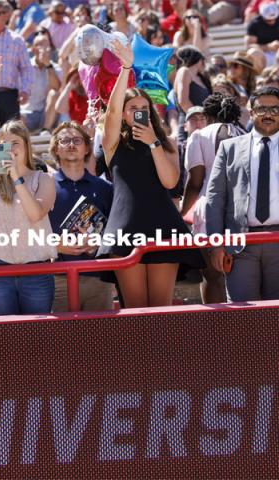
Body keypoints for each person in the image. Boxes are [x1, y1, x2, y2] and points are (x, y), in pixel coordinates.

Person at [97, 40, 204, 308]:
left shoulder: (166, 142)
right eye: (132, 108)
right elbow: (110, 111)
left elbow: (169, 181)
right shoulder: (112, 143)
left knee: (160, 306)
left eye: (143, 108)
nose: (138, 112)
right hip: (125, 227)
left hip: (163, 225)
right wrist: (125, 69)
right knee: (134, 307)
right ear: (122, 114)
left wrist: (153, 142)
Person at [0, 54, 57, 316]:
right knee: (3, 341)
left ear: (26, 147)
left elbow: (34, 214)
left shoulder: (43, 179)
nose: (8, 149)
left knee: (38, 340)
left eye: (15, 144)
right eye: (3, 144)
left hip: (37, 272)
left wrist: (17, 179)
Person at [206, 87, 279, 302]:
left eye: (275, 109)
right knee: (243, 317)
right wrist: (216, 244)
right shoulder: (230, 148)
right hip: (240, 244)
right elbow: (215, 198)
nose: (268, 114)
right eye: (262, 109)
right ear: (251, 111)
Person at [182, 94, 246, 303]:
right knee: (243, 276)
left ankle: (216, 332)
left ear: (208, 115)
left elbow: (195, 183)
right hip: (244, 211)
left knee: (212, 276)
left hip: (208, 210)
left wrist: (182, 214)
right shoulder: (246, 133)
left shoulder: (199, 136)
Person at [48, 121, 114, 312]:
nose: (71, 144)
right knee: (61, 340)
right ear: (56, 150)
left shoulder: (104, 188)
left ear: (86, 148)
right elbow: (28, 232)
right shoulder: (44, 186)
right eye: (64, 140)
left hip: (98, 277)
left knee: (100, 338)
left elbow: (116, 230)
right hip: (57, 277)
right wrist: (56, 245)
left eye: (77, 140)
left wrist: (100, 241)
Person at [21, 32, 61, 133]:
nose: (43, 48)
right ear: (33, 49)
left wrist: (48, 65)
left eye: (46, 45)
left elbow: (56, 87)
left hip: (47, 115)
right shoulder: (25, 67)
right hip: (27, 113)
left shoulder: (55, 67)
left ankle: (45, 131)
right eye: (40, 45)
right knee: (15, 118)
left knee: (54, 94)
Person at [174, 46, 212, 142]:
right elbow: (183, 102)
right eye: (203, 59)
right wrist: (200, 119)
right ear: (198, 59)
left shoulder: (201, 78)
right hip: (190, 127)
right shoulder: (184, 71)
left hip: (203, 127)